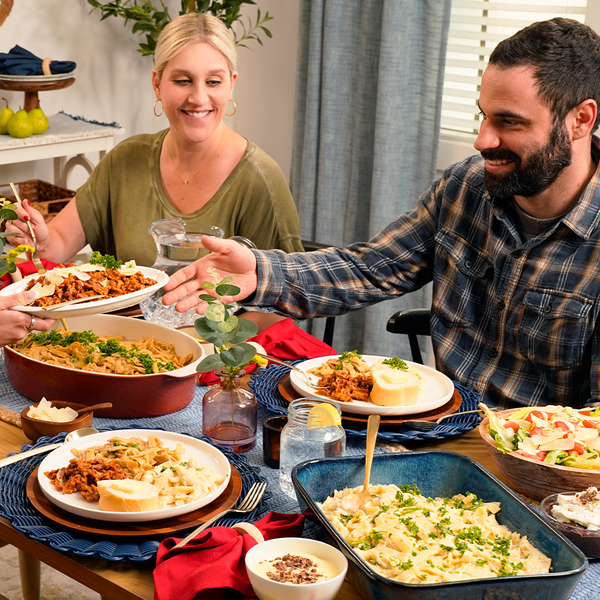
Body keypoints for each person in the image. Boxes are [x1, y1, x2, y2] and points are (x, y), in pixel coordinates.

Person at [161, 17, 600, 409]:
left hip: (546, 477)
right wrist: (260, 273)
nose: (483, 141)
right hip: (443, 431)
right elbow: (370, 268)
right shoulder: (466, 186)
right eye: (483, 117)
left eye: (509, 122)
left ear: (581, 119)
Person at [5, 12, 303, 267]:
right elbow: (58, 242)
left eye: (213, 81)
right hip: (123, 333)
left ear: (231, 85)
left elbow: (282, 299)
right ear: (157, 84)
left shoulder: (260, 179)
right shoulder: (125, 159)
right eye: (182, 80)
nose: (199, 98)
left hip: (222, 337)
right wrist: (40, 239)